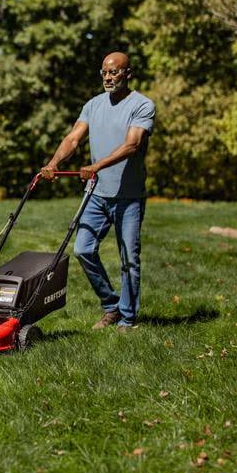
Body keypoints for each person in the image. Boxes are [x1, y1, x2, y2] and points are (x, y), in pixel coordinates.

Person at [40, 52, 155, 332]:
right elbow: (73, 138)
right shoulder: (93, 105)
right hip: (97, 194)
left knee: (129, 259)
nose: (108, 77)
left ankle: (127, 318)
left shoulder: (142, 105)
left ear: (128, 74)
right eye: (104, 72)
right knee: (83, 249)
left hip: (128, 197)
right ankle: (111, 304)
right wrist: (54, 162)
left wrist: (97, 165)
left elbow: (132, 145)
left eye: (114, 72)